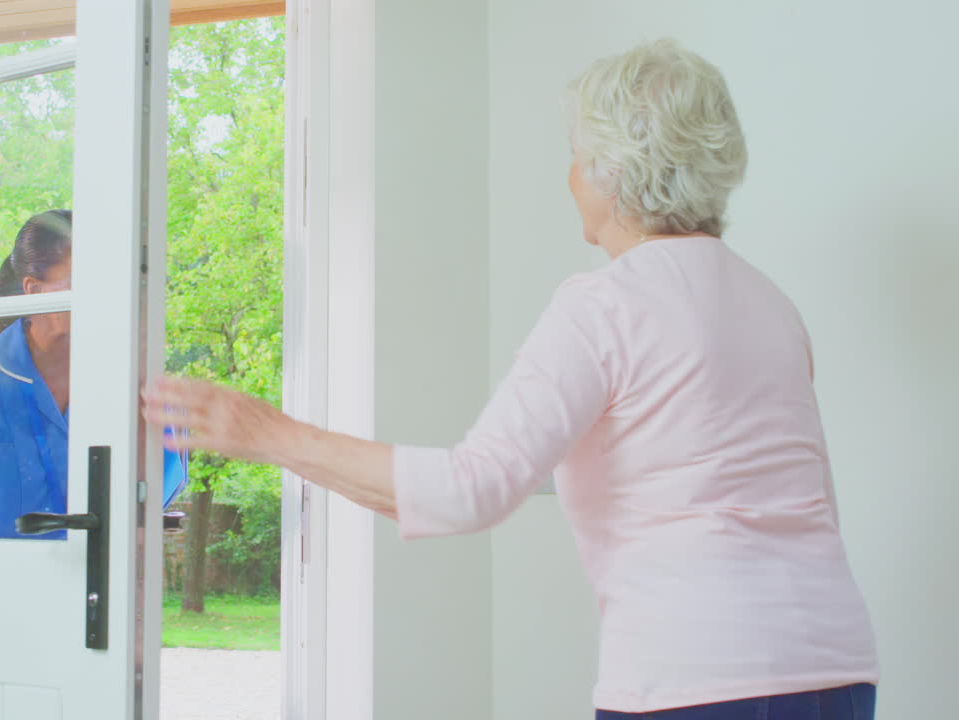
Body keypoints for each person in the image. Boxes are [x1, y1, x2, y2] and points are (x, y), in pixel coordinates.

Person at [143, 40, 878, 719]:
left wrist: (267, 433)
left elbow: (473, 488)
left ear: (614, 171)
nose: (570, 175)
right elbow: (746, 482)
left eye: (576, 155)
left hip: (697, 680)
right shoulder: (772, 305)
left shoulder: (604, 304)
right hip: (836, 668)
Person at [0, 209, 187, 539]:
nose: (110, 297)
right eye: (87, 280)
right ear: (35, 292)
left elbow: (138, 516)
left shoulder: (149, 396)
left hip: (89, 574)